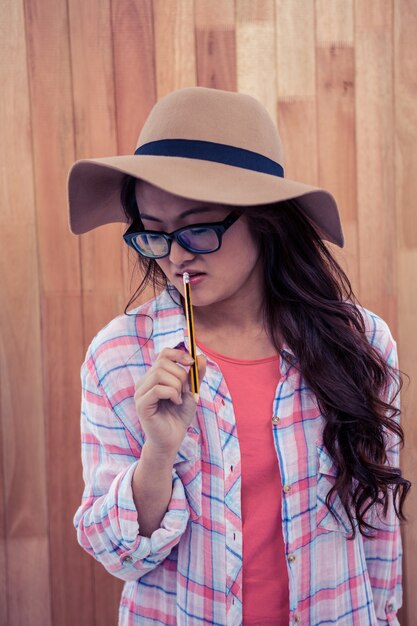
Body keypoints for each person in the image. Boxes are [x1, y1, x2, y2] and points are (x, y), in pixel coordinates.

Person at [68, 86, 410, 626]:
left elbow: (378, 526)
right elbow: (118, 555)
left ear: (264, 219)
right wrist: (158, 453)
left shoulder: (360, 342)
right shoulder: (119, 355)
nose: (176, 254)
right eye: (153, 235)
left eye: (198, 228)